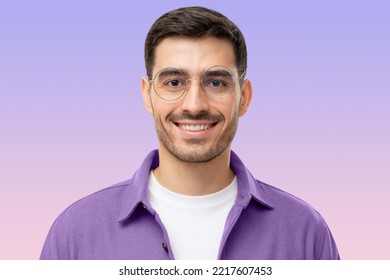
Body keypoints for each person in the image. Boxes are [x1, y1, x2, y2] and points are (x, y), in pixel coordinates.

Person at [40, 6, 339, 260]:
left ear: (244, 97)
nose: (194, 105)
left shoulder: (305, 233)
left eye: (216, 83)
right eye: (174, 82)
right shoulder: (74, 233)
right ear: (147, 95)